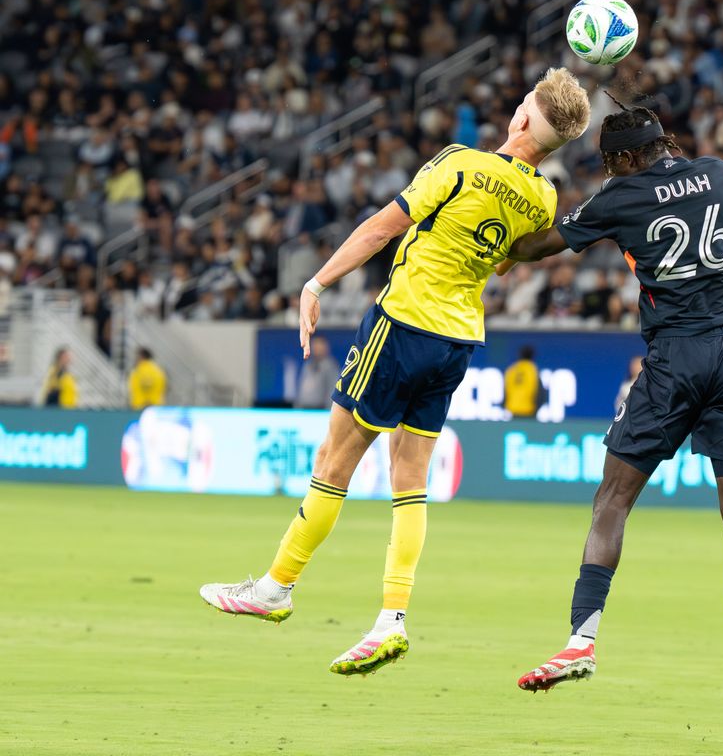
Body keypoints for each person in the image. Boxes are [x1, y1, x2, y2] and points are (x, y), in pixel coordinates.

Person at [198, 68, 591, 676]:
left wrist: (317, 280)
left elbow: (384, 227)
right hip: (458, 339)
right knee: (410, 479)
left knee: (334, 463)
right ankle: (391, 619)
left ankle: (276, 588)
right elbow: (508, 264)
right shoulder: (543, 199)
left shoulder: (462, 163)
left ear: (520, 119)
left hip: (403, 324)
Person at [499, 102, 723, 728]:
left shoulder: (620, 196)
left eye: (609, 162)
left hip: (675, 357)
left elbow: (540, 245)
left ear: (623, 158)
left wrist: (495, 228)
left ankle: (582, 641)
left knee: (613, 499)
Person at [294, 336, 338, 409]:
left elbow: (332, 390)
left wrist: (328, 411)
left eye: (319, 346)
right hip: (304, 409)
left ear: (326, 348)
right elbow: (301, 389)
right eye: (314, 345)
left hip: (320, 410)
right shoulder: (308, 365)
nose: (316, 348)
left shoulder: (330, 366)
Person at [503, 345, 540, 418]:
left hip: (513, 409)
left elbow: (505, 390)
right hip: (528, 410)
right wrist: (536, 409)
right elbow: (539, 392)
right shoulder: (532, 369)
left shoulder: (512, 369)